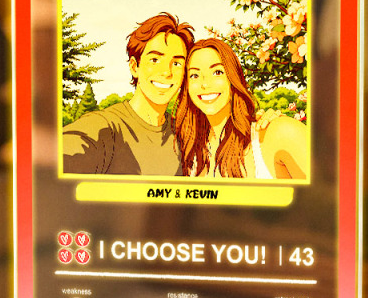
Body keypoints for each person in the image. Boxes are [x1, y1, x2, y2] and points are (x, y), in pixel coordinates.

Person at [63, 13, 194, 175]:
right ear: (134, 66)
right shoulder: (104, 128)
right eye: (155, 60)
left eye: (177, 63)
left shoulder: (183, 136)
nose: (167, 72)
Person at [175, 37, 308, 179]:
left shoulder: (280, 132)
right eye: (194, 75)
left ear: (233, 77)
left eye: (217, 72)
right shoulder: (189, 151)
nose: (205, 84)